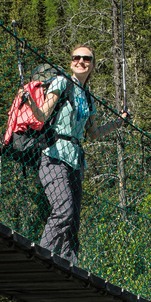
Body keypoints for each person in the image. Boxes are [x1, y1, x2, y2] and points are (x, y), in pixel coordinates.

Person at [24, 45, 128, 265]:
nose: (81, 61)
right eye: (76, 57)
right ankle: (43, 256)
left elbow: (94, 133)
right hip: (53, 155)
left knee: (73, 220)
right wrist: (31, 102)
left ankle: (69, 263)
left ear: (92, 65)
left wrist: (119, 122)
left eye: (86, 59)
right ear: (71, 61)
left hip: (75, 160)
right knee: (63, 210)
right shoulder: (62, 82)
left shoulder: (88, 97)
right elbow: (42, 115)